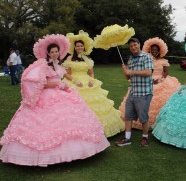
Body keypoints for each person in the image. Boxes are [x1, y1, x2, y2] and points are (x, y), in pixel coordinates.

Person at [0, 34, 110, 166]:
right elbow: (41, 83)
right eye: (52, 52)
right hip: (47, 96)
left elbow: (60, 78)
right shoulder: (43, 65)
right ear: (48, 53)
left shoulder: (58, 64)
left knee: (69, 119)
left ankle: (75, 150)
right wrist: (56, 84)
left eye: (56, 51)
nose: (55, 54)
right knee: (46, 123)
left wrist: (63, 86)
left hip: (60, 93)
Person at [62, 30, 124, 137]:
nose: (79, 47)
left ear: (84, 47)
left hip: (87, 82)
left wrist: (91, 81)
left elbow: (91, 73)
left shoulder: (88, 59)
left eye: (81, 46)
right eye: (77, 46)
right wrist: (75, 81)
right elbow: (66, 74)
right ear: (74, 47)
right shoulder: (69, 58)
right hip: (74, 81)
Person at [119, 37, 180, 130]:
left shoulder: (164, 61)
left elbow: (166, 73)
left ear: (159, 50)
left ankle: (158, 122)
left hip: (161, 81)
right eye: (153, 49)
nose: (154, 51)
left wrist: (160, 80)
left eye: (156, 50)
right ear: (150, 49)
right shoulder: (145, 58)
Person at [116, 38, 154, 147]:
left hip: (144, 93)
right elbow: (128, 77)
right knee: (128, 116)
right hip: (133, 91)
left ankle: (145, 138)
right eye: (131, 46)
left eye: (134, 45)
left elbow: (148, 72)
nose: (133, 47)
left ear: (139, 44)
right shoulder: (131, 59)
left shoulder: (147, 57)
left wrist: (131, 71)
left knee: (143, 117)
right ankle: (127, 138)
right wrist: (125, 71)